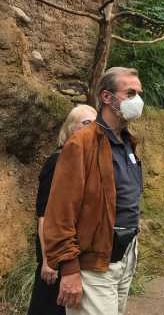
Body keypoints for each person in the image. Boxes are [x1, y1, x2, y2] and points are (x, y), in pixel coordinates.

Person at [44, 67, 145, 315]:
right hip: (94, 262)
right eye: (130, 93)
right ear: (107, 97)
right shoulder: (81, 144)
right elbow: (60, 213)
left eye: (139, 93)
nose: (138, 101)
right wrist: (68, 269)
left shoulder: (128, 142)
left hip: (125, 255)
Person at [27, 104, 97, 315]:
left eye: (95, 125)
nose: (92, 129)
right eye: (86, 123)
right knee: (49, 307)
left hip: (74, 252)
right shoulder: (57, 161)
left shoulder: (86, 162)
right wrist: (48, 260)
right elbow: (44, 215)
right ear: (70, 128)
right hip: (55, 253)